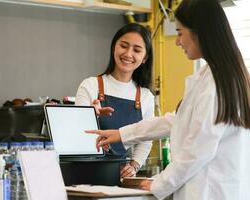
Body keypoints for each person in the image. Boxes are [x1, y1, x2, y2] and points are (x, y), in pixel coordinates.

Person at [86, 0, 250, 199]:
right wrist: (122, 134)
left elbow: (197, 152)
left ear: (199, 32)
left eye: (180, 32)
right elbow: (177, 120)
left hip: (209, 191)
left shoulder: (216, 84)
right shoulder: (213, 76)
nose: (177, 41)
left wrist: (158, 184)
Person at [75, 23, 155, 177]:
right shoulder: (90, 85)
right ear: (114, 48)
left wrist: (134, 166)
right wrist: (90, 116)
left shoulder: (145, 97)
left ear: (144, 58)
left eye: (137, 50)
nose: (128, 54)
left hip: (121, 176)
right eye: (124, 46)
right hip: (85, 173)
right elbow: (78, 134)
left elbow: (146, 138)